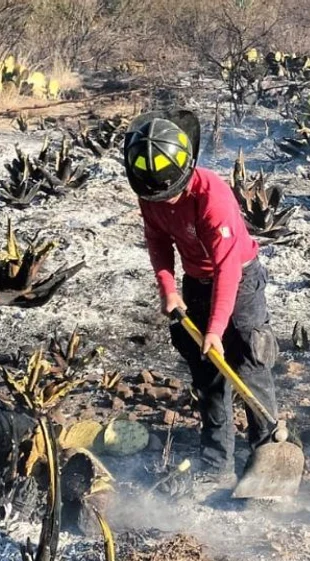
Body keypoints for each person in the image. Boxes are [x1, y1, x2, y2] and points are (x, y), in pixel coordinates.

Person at [123, 109, 279, 489]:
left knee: (249, 362)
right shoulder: (150, 192)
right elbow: (158, 240)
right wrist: (168, 289)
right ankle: (217, 465)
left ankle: (268, 458)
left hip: (239, 280)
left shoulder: (213, 197)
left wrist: (216, 328)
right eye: (159, 196)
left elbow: (228, 268)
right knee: (207, 376)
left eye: (172, 193)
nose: (167, 202)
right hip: (196, 282)